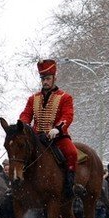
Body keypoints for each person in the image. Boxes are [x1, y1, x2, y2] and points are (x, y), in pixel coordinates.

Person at [19, 59, 78, 198]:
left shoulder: (65, 97)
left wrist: (58, 129)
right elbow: (26, 114)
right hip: (37, 137)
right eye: (43, 79)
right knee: (20, 153)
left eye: (48, 78)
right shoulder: (33, 98)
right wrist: (22, 125)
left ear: (54, 78)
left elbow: (67, 115)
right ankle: (19, 184)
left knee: (72, 153)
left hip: (57, 137)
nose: (45, 81)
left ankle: (70, 185)